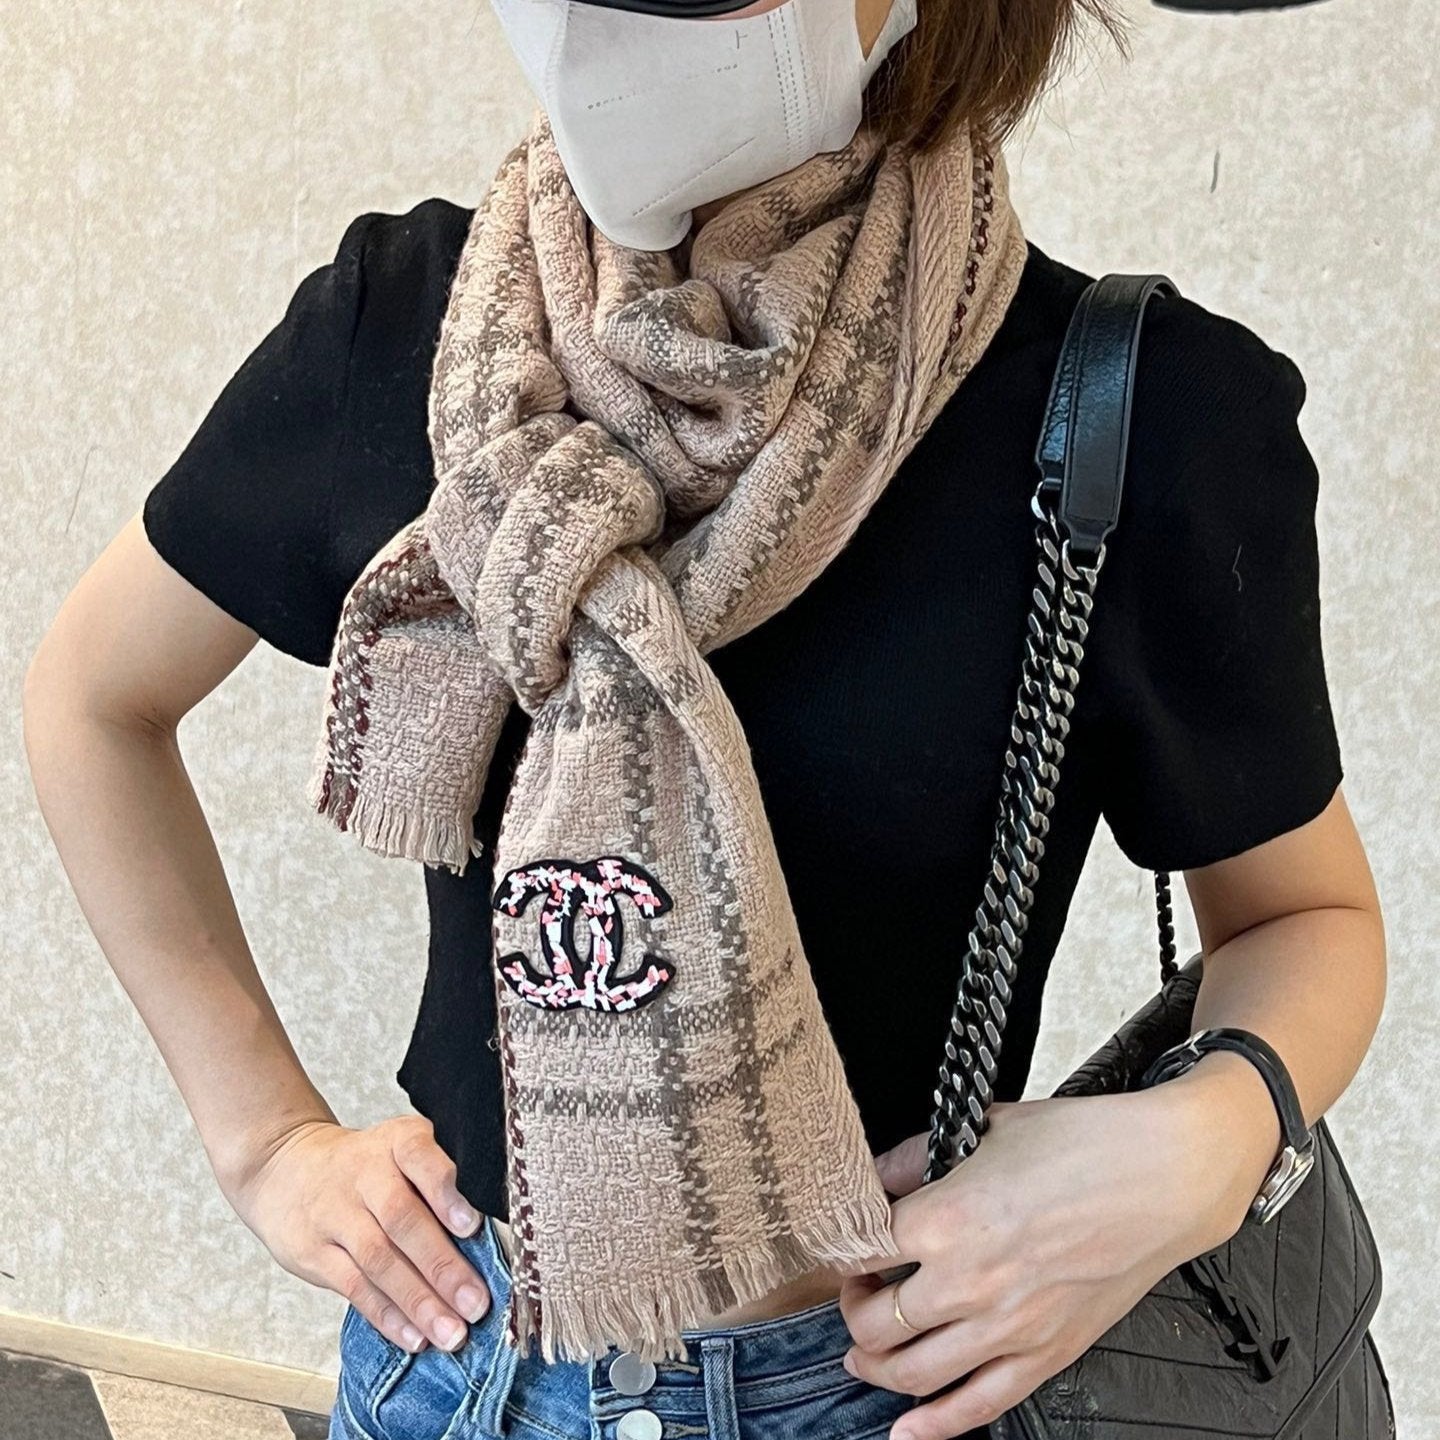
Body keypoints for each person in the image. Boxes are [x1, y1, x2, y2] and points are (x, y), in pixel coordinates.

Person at [22, 1, 1387, 1438]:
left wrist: (1200, 1146)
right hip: (450, 1368)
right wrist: (266, 1143)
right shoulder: (416, 329)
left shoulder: (1131, 411)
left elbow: (1308, 920)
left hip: (880, 1379)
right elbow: (94, 700)